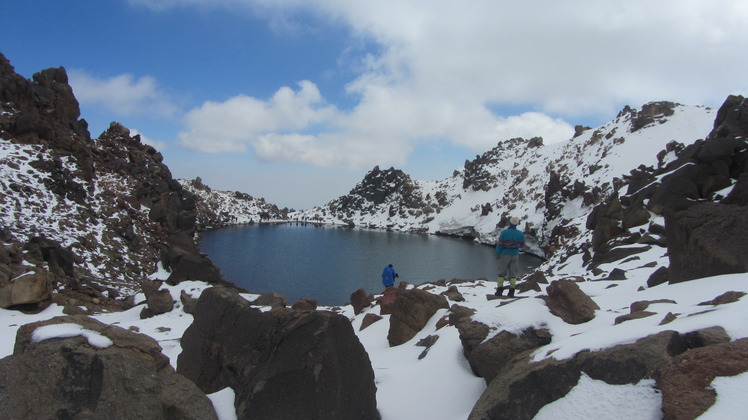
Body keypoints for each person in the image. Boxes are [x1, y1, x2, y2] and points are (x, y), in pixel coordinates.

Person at [495, 217, 525, 297]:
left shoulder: (505, 232)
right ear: (516, 224)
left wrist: (497, 253)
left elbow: (500, 244)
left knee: (501, 272)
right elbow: (522, 245)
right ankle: (511, 292)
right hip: (515, 254)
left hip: (505, 253)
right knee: (513, 273)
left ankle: (499, 291)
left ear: (510, 223)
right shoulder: (520, 233)